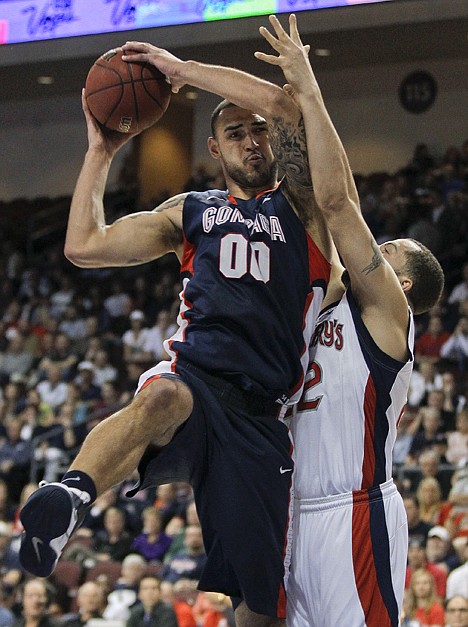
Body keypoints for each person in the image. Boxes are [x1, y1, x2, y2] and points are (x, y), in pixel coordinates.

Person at [19, 23, 334, 626]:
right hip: (197, 376)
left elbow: (288, 104)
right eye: (233, 133)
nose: (251, 140)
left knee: (259, 605)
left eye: (257, 131)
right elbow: (84, 246)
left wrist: (182, 70)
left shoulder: (301, 207)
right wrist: (101, 154)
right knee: (161, 393)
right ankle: (72, 495)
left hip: (261, 413)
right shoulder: (190, 212)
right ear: (213, 149)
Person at [253, 13, 444, 627]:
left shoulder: (389, 317)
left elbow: (336, 203)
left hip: (353, 512)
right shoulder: (326, 299)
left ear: (404, 285)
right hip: (290, 516)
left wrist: (309, 87)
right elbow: (310, 201)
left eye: (388, 254)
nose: (374, 253)